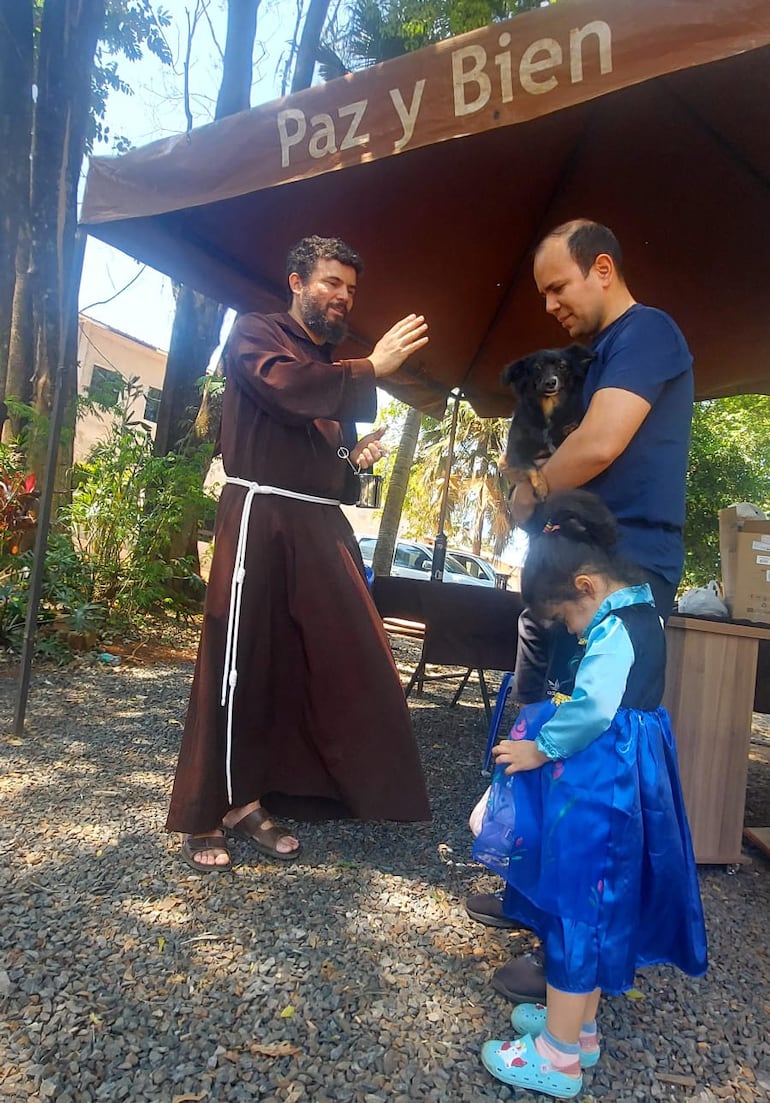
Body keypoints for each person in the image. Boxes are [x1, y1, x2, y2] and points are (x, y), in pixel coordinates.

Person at [467, 218, 694, 1001]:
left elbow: (597, 446)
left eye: (558, 286)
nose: (551, 304)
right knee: (543, 734)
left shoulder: (648, 335)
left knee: (596, 768)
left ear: (603, 267)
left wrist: (527, 498)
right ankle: (535, 900)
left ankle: (577, 955)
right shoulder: (589, 357)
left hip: (624, 574)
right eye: (542, 293)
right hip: (571, 571)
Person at [166, 235, 432, 872]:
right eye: (331, 283)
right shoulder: (257, 332)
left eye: (350, 289)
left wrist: (351, 458)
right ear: (296, 282)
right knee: (237, 658)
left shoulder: (330, 371)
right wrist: (372, 367)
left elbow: (326, 460)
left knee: (334, 654)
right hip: (260, 517)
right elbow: (285, 389)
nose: (342, 297)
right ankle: (210, 810)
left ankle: (278, 792)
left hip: (317, 523)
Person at [475, 490, 707, 1100]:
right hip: (631, 776)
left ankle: (556, 1057)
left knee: (578, 904)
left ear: (585, 585)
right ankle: (578, 1030)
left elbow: (594, 708)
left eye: (565, 619)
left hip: (604, 779)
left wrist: (537, 747)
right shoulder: (645, 610)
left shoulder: (613, 631)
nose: (569, 633)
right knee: (597, 906)